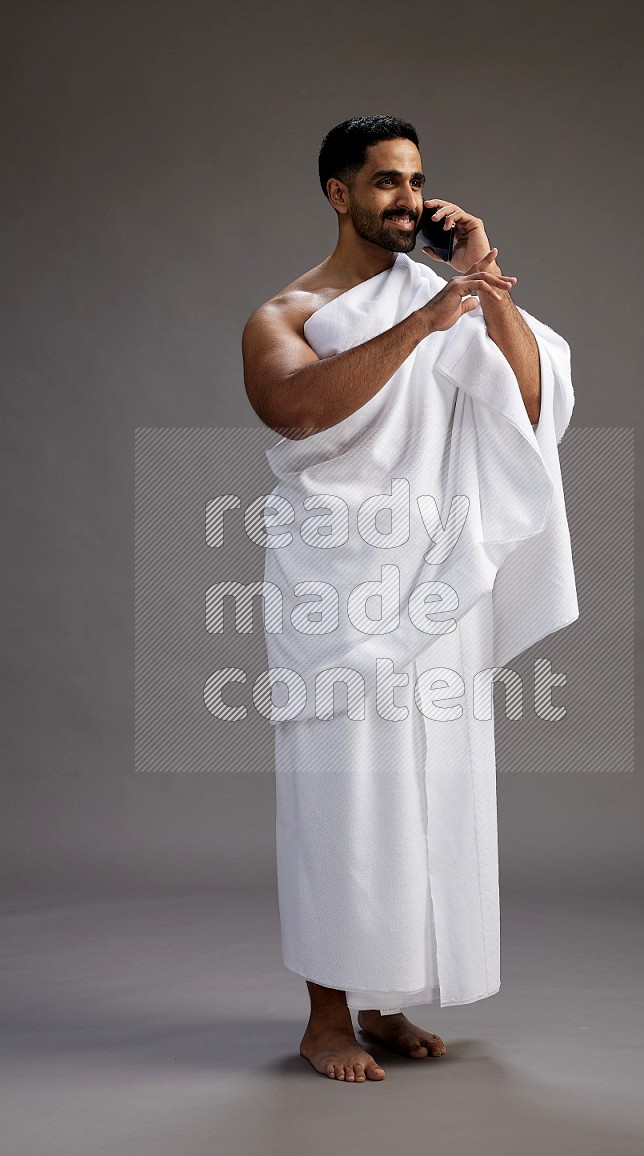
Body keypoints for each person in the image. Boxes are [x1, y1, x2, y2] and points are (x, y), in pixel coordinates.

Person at [241, 115, 577, 1081]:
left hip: (439, 582)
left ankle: (386, 998)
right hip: (337, 588)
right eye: (385, 180)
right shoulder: (289, 311)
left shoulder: (444, 291)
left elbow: (525, 402)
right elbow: (295, 407)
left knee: (432, 791)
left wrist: (481, 275)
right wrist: (425, 322)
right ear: (338, 193)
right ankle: (325, 1018)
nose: (407, 197)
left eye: (416, 179)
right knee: (342, 799)